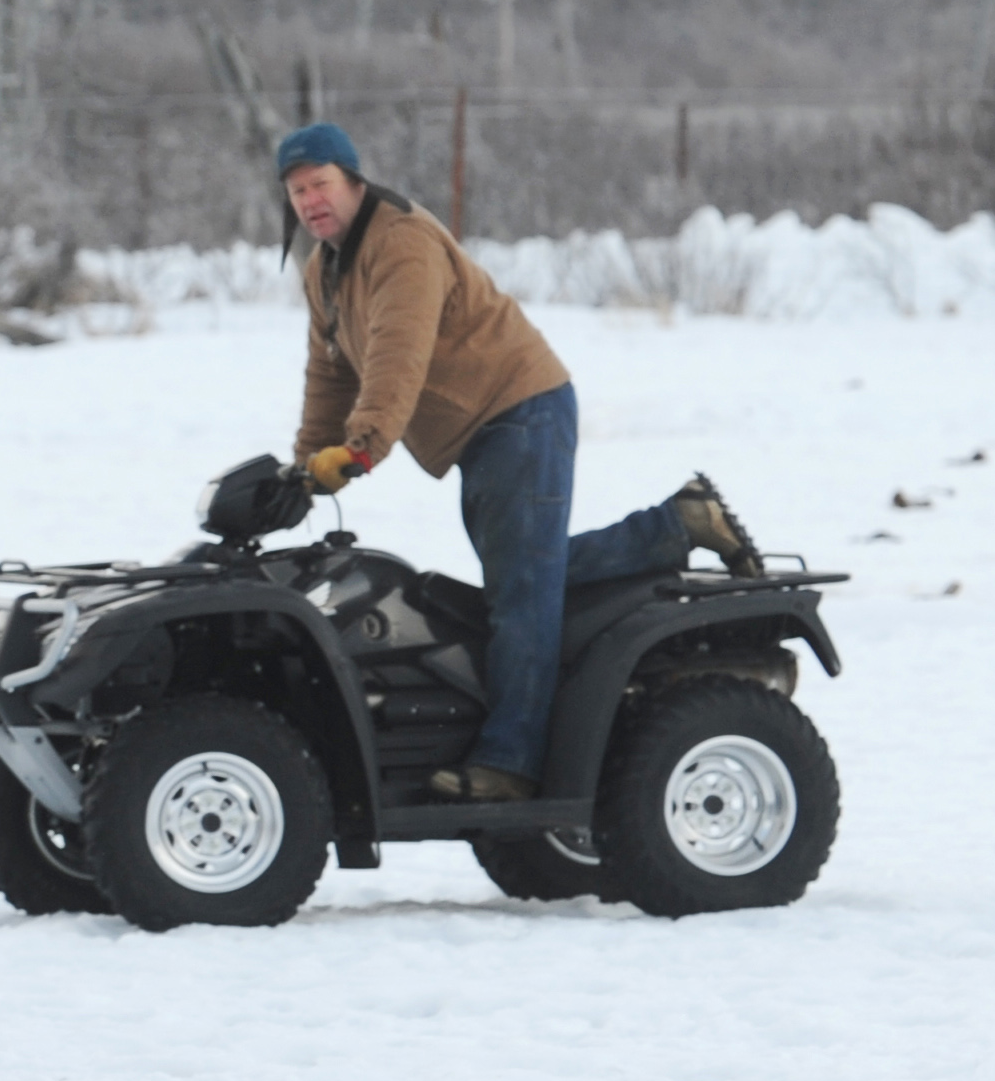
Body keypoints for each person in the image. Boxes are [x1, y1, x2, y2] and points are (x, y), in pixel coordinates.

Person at [278, 121, 763, 803]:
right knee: (524, 576)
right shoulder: (323, 270)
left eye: (320, 184)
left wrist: (362, 447)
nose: (309, 201)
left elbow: (398, 354)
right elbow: (328, 374)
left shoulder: (401, 243)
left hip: (519, 409)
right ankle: (681, 523)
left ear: (354, 181)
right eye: (297, 191)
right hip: (478, 427)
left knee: (521, 595)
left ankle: (510, 762)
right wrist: (303, 469)